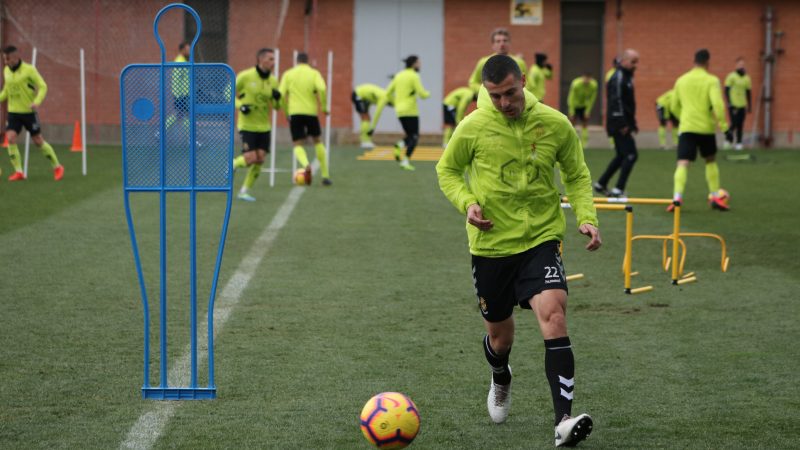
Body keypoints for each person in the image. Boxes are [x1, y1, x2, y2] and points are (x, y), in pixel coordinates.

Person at [436, 54, 600, 448]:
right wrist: (467, 203)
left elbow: (576, 173)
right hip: (491, 245)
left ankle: (563, 421)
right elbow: (447, 171)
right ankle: (500, 376)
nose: (504, 103)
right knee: (501, 338)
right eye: (495, 96)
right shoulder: (473, 125)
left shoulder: (555, 123)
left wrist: (587, 216)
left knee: (554, 314)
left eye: (510, 93)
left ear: (523, 80)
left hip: (541, 238)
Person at [668, 48, 730, 212]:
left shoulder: (681, 80)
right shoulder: (712, 80)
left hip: (687, 127)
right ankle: (715, 196)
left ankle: (676, 198)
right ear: (708, 62)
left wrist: (684, 117)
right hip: (706, 129)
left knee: (683, 162)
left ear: (694, 61)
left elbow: (673, 106)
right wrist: (724, 127)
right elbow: (718, 105)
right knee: (710, 160)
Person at [0, 45, 63, 181]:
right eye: (4, 59)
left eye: (7, 58)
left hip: (28, 112)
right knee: (10, 138)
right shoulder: (6, 71)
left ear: (15, 57)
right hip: (13, 113)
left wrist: (37, 101)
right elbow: (6, 91)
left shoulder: (29, 69)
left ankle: (57, 167)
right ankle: (19, 172)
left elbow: (43, 86)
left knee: (38, 141)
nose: (5, 61)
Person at [232, 48, 281, 201]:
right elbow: (228, 94)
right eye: (270, 59)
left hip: (264, 127)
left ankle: (244, 191)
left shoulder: (273, 81)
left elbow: (277, 107)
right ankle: (232, 165)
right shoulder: (245, 76)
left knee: (260, 159)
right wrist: (240, 106)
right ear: (261, 60)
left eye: (274, 59)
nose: (274, 62)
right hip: (247, 125)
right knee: (250, 158)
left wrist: (277, 98)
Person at [279, 52, 331, 185]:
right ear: (308, 61)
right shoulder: (314, 73)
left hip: (295, 112)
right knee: (317, 141)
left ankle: (306, 164)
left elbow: (281, 94)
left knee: (297, 143)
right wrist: (324, 107)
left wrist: (286, 112)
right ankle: (325, 175)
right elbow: (322, 88)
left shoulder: (288, 74)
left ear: (296, 61)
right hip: (311, 113)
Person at [594, 49, 639, 197]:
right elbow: (616, 101)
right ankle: (618, 189)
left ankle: (601, 183)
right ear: (624, 61)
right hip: (618, 123)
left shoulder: (627, 76)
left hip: (622, 123)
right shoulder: (618, 77)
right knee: (631, 155)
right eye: (633, 62)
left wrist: (633, 123)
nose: (636, 65)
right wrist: (622, 123)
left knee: (621, 155)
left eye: (637, 62)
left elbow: (628, 103)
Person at [386, 55, 429, 171]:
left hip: (399, 111)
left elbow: (388, 93)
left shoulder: (398, 75)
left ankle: (399, 145)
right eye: (419, 62)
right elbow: (422, 94)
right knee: (414, 137)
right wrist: (428, 94)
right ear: (414, 64)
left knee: (410, 135)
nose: (420, 65)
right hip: (411, 111)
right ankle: (405, 161)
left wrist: (395, 103)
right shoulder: (414, 76)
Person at [468, 28, 527, 93]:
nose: (502, 44)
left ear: (509, 43)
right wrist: (487, 92)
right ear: (493, 45)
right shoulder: (484, 62)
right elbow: (473, 82)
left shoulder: (519, 62)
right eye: (498, 41)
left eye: (505, 41)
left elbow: (527, 83)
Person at [723, 57, 752, 150]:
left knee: (740, 124)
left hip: (742, 105)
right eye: (740, 64)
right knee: (734, 123)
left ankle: (739, 143)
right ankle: (728, 140)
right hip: (733, 105)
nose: (741, 66)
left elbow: (748, 92)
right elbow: (726, 90)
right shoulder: (731, 76)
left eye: (743, 64)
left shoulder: (747, 78)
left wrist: (749, 105)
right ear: (736, 65)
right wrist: (729, 102)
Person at [351, 83, 391, 148]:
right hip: (358, 95)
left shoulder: (383, 96)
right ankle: (365, 141)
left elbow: (371, 99)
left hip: (364, 97)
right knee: (365, 118)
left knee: (367, 118)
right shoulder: (384, 99)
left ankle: (365, 140)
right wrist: (373, 127)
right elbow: (377, 114)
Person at [566, 73, 598, 148]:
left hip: (584, 106)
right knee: (571, 123)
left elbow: (592, 99)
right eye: (585, 78)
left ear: (591, 79)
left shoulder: (594, 85)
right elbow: (571, 97)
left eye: (588, 79)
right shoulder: (576, 84)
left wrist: (588, 111)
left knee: (585, 123)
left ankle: (584, 143)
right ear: (582, 77)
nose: (586, 81)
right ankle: (570, 141)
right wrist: (571, 111)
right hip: (575, 105)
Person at [166, 42, 191, 130]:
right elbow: (176, 78)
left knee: (181, 115)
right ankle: (191, 136)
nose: (189, 51)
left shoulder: (183, 60)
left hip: (184, 94)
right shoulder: (180, 61)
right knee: (182, 114)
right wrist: (178, 95)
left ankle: (190, 134)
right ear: (182, 50)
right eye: (188, 49)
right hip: (181, 95)